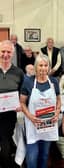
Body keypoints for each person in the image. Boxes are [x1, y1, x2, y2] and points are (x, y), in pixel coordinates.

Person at [20, 54, 61, 168]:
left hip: (48, 126)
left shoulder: (54, 82)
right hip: (33, 125)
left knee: (44, 155)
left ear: (49, 67)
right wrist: (30, 116)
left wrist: (57, 112)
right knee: (32, 157)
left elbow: (58, 100)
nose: (43, 68)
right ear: (36, 67)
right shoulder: (28, 82)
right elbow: (22, 103)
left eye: (45, 65)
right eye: (40, 65)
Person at [0, 40, 24, 168]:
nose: (5, 54)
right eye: (3, 51)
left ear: (12, 54)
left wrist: (21, 104)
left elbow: (22, 94)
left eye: (8, 52)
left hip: (9, 116)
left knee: (4, 142)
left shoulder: (18, 72)